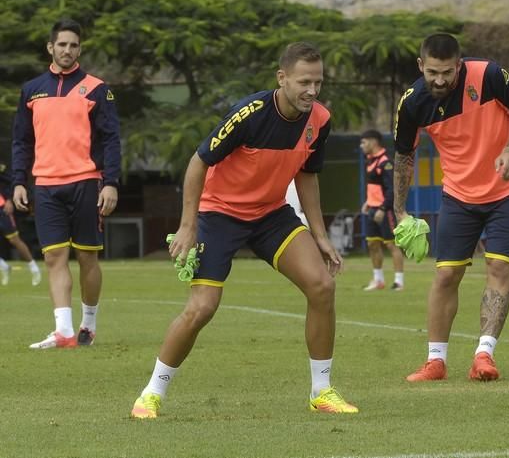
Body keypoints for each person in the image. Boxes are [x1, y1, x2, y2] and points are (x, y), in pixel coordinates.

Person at [130, 42, 357, 419]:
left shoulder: (320, 119)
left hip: (271, 215)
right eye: (304, 82)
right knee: (202, 307)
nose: (312, 91)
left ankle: (322, 391)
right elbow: (198, 163)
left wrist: (319, 233)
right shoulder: (249, 114)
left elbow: (307, 175)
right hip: (220, 214)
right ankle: (151, 393)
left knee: (322, 286)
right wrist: (188, 226)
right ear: (281, 78)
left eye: (318, 82)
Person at [394, 33, 509, 382]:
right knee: (445, 274)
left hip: (508, 190)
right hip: (458, 196)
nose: (439, 80)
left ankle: (484, 355)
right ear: (420, 67)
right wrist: (400, 212)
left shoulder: (487, 75)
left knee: (499, 268)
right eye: (432, 73)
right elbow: (404, 156)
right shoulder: (412, 103)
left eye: (447, 72)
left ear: (459, 65)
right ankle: (435, 361)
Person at [12, 19, 120, 350]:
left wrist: (111, 183)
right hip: (45, 186)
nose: (67, 50)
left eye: (73, 45)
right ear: (50, 47)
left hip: (86, 183)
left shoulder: (97, 88)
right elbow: (21, 141)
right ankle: (64, 332)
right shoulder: (32, 90)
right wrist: (18, 181)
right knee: (54, 257)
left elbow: (111, 139)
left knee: (87, 258)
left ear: (79, 49)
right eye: (62, 45)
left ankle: (88, 323)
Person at [359, 129, 405, 291]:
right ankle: (378, 280)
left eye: (364, 142)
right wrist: (368, 202)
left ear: (373, 142)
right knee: (372, 244)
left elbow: (391, 189)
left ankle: (399, 282)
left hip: (384, 211)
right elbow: (375, 187)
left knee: (392, 245)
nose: (361, 146)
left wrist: (383, 208)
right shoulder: (370, 160)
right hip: (372, 208)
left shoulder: (385, 162)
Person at [0, 190, 42, 287]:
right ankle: (4, 266)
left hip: (2, 208)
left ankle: (34, 268)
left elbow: (7, 179)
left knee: (14, 239)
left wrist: (9, 200)